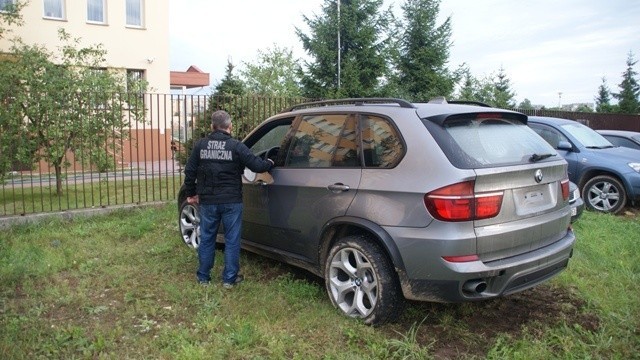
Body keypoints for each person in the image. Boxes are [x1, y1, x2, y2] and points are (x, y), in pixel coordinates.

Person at [183, 110, 273, 288]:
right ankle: (229, 279)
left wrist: (191, 194)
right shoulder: (236, 146)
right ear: (230, 126)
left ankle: (203, 277)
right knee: (232, 239)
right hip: (232, 201)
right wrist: (270, 162)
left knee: (207, 237)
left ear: (212, 126)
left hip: (208, 201)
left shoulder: (200, 146)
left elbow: (190, 171)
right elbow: (257, 166)